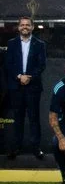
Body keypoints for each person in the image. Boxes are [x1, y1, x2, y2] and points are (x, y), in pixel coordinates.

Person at [5, 16, 47, 160]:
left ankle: (36, 148)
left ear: (32, 27)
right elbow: (8, 64)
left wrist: (29, 77)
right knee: (18, 118)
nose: (25, 27)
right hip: (16, 87)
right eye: (22, 25)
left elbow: (41, 65)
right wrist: (19, 76)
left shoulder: (39, 44)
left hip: (33, 86)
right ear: (18, 27)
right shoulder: (11, 44)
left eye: (27, 25)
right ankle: (16, 148)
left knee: (34, 118)